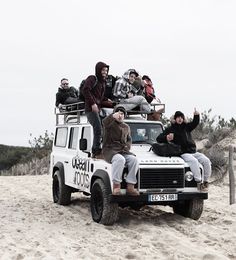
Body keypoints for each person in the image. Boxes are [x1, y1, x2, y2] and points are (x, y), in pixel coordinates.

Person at [156, 109, 211, 192]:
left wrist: (196, 115)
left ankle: (206, 182)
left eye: (181, 117)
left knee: (206, 161)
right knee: (194, 161)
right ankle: (199, 182)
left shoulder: (187, 127)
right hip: (182, 152)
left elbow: (195, 123)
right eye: (178, 117)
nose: (180, 119)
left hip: (193, 151)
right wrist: (166, 137)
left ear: (183, 118)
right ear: (175, 119)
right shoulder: (170, 129)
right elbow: (158, 138)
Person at [102, 106, 139, 196]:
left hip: (123, 150)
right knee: (120, 160)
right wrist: (112, 116)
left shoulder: (126, 126)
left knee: (134, 160)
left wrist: (128, 146)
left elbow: (129, 139)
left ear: (124, 116)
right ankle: (116, 186)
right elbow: (104, 122)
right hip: (110, 150)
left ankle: (130, 186)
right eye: (118, 113)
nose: (120, 115)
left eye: (122, 114)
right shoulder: (109, 124)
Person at [83, 61, 109, 158]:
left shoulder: (103, 83)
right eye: (103, 70)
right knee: (98, 128)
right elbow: (85, 90)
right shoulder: (92, 78)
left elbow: (100, 98)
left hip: (98, 108)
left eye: (106, 70)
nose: (105, 72)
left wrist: (108, 100)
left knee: (105, 127)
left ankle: (103, 147)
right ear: (98, 70)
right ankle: (96, 150)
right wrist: (93, 103)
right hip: (90, 109)